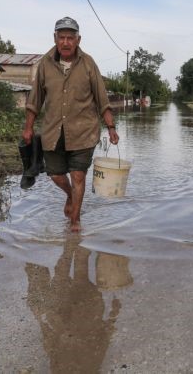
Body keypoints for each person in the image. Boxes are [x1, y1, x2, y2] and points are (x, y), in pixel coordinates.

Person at [22, 16, 119, 231]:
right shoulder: (45, 64)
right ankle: (70, 195)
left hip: (83, 131)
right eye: (62, 37)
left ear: (78, 40)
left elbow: (102, 98)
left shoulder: (88, 64)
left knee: (78, 175)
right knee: (56, 175)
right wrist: (28, 127)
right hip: (53, 131)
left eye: (70, 38)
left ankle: (75, 221)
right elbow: (35, 99)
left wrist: (111, 127)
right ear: (55, 38)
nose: (66, 42)